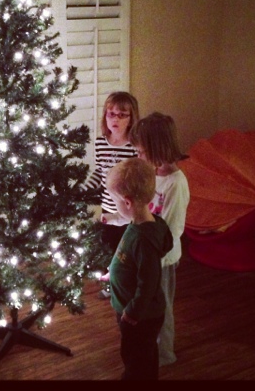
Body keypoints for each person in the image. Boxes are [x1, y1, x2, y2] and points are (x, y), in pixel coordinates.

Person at [127, 111, 190, 367]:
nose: (138, 156)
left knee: (162, 307)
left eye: (141, 152)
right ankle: (150, 343)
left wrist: (151, 258)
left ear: (157, 148)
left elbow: (171, 231)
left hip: (162, 260)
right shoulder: (153, 174)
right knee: (148, 305)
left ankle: (165, 354)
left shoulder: (176, 184)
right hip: (148, 256)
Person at [106, 158, 173, 380]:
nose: (114, 204)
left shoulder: (145, 239)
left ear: (127, 202)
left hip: (139, 317)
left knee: (136, 356)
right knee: (144, 353)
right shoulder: (139, 224)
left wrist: (133, 312)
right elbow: (129, 258)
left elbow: (149, 282)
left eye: (114, 200)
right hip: (134, 311)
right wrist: (113, 271)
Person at [83, 92, 139, 297]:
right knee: (107, 247)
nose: (115, 119)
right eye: (111, 114)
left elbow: (137, 177)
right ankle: (110, 284)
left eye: (122, 115)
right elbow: (99, 171)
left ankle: (125, 285)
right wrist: (86, 190)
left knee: (124, 250)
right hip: (107, 206)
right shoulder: (101, 143)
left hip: (126, 210)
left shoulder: (133, 147)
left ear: (131, 119)